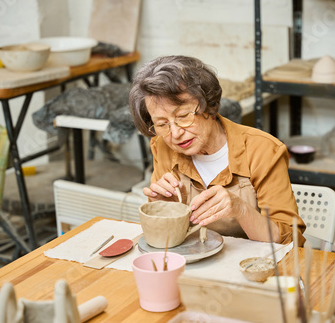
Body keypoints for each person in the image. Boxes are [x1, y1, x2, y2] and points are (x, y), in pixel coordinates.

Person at [129, 55, 306, 245]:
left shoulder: (263, 150)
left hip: (251, 265)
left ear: (210, 105)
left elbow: (292, 241)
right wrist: (163, 207)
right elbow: (164, 238)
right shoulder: (163, 145)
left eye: (183, 116)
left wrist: (240, 209)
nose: (175, 133)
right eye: (162, 123)